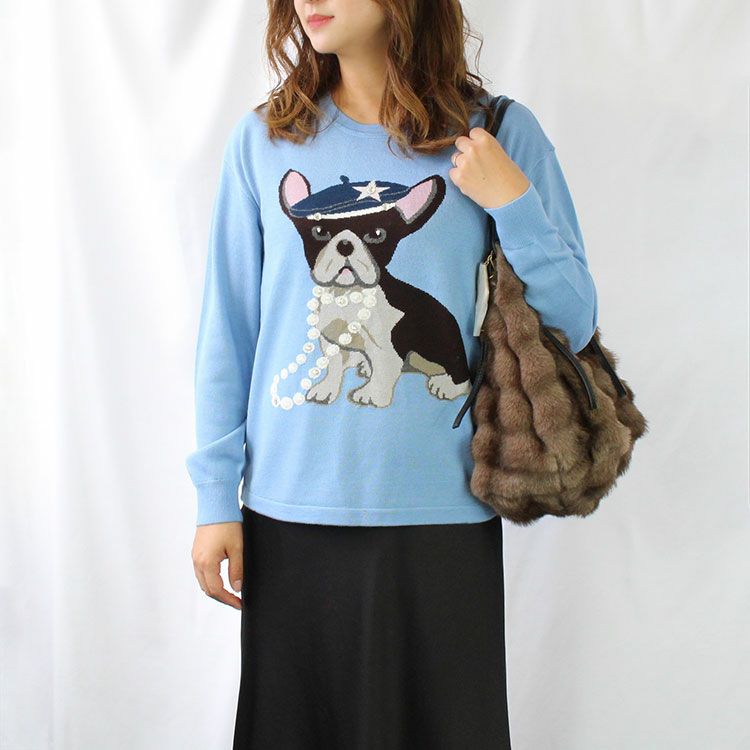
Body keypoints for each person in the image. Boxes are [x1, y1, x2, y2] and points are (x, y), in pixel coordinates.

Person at [185, 1, 599, 748]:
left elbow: (574, 320)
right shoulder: (267, 140)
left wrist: (513, 201)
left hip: (442, 512)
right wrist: (217, 497)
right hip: (291, 511)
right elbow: (230, 331)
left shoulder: (496, 134)